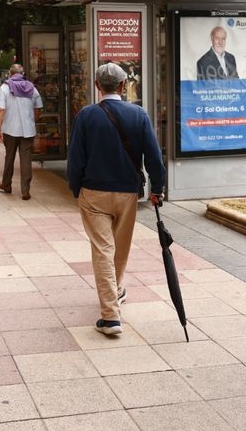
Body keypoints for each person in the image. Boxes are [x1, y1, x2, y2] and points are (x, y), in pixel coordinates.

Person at [66, 62, 166, 336]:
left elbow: (76, 158)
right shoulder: (139, 115)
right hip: (127, 192)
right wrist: (157, 189)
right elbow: (154, 157)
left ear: (97, 86)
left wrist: (76, 188)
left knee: (102, 250)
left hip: (94, 192)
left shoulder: (86, 116)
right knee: (119, 248)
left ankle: (110, 316)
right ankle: (116, 293)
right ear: (123, 86)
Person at [0, 64, 43, 200]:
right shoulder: (32, 88)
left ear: (10, 74)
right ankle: (25, 190)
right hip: (28, 130)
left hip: (10, 129)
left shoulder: (4, 88)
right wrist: (31, 120)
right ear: (22, 74)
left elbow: (0, 110)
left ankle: (6, 184)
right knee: (26, 158)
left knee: (9, 156)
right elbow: (38, 108)